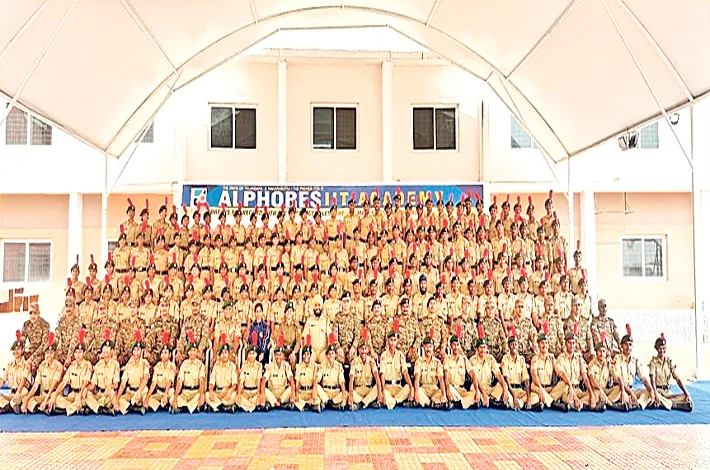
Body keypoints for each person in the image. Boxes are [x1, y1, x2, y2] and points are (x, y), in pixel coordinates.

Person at [47, 329, 92, 415]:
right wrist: (55, 394)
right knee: (54, 396)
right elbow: (64, 382)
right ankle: (74, 408)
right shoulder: (72, 366)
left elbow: (85, 383)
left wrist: (79, 395)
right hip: (72, 394)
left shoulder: (87, 365)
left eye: (80, 352)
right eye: (76, 352)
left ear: (84, 354)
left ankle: (67, 409)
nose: (78, 355)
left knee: (87, 397)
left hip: (82, 393)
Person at [608, 325, 654, 410]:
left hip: (631, 389)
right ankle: (625, 403)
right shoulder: (617, 359)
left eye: (630, 345)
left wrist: (651, 390)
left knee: (646, 392)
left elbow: (643, 378)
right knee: (620, 392)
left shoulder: (635, 361)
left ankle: (635, 404)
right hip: (620, 388)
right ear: (621, 346)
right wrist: (630, 393)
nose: (628, 347)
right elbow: (618, 379)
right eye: (625, 344)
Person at [648, 333, 693, 411]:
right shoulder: (653, 362)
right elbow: (652, 379)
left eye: (663, 348)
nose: (662, 351)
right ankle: (675, 405)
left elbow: (677, 379)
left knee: (684, 397)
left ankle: (666, 403)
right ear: (656, 349)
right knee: (650, 398)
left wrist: (687, 394)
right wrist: (655, 393)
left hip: (668, 392)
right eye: (659, 348)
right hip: (658, 391)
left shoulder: (669, 362)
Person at [21, 332, 63, 414]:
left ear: (54, 354)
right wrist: (26, 400)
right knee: (25, 399)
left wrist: (46, 400)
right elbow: (36, 385)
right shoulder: (42, 366)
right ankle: (44, 407)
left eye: (51, 353)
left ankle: (45, 406)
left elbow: (54, 384)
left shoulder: (58, 366)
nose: (49, 355)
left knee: (58, 401)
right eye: (47, 353)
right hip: (43, 395)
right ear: (44, 354)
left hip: (53, 395)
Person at [470, 324, 509, 408]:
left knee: (502, 385)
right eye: (480, 348)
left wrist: (505, 387)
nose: (482, 350)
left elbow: (498, 374)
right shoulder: (473, 360)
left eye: (484, 347)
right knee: (473, 390)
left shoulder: (490, 359)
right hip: (477, 387)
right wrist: (483, 393)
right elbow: (475, 379)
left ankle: (488, 400)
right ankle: (491, 401)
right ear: (477, 349)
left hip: (488, 388)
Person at [84, 329, 120, 415]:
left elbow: (116, 385)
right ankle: (100, 408)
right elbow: (93, 385)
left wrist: (110, 386)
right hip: (99, 394)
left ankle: (94, 407)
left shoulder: (115, 365)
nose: (106, 350)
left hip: (109, 393)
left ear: (112, 351)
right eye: (104, 348)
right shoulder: (98, 365)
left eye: (108, 348)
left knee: (111, 394)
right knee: (87, 394)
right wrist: (86, 389)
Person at [114, 330, 150, 414]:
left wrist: (139, 391)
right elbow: (123, 383)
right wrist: (117, 399)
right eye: (134, 350)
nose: (136, 352)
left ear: (142, 351)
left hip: (140, 390)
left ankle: (129, 406)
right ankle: (134, 408)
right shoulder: (129, 365)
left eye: (138, 350)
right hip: (130, 391)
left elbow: (145, 379)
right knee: (118, 400)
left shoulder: (145, 363)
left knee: (145, 397)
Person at [172, 329, 206, 413]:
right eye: (190, 351)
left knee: (203, 397)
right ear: (188, 353)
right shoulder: (184, 364)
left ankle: (184, 407)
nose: (192, 353)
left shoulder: (200, 365)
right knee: (172, 398)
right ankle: (190, 406)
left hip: (195, 392)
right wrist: (175, 398)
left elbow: (202, 381)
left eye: (194, 350)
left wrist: (201, 395)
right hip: (185, 393)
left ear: (197, 352)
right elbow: (180, 381)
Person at [443, 329, 479, 410]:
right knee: (449, 390)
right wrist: (448, 388)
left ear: (460, 346)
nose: (456, 347)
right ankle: (464, 403)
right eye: (454, 345)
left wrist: (477, 390)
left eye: (457, 345)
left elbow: (472, 374)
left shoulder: (464, 359)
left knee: (474, 394)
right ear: (450, 346)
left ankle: (456, 403)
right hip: (452, 389)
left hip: (461, 389)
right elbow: (445, 376)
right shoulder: (447, 359)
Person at [379, 329, 414, 409]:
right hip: (387, 387)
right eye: (391, 340)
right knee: (380, 391)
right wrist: (383, 390)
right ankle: (397, 401)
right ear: (388, 341)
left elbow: (405, 373)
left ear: (397, 341)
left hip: (398, 387)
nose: (392, 343)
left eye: (394, 340)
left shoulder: (400, 355)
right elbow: (382, 375)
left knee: (408, 388)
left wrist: (411, 387)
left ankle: (392, 401)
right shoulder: (384, 355)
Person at [144, 331, 178, 412]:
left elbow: (170, 382)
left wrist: (165, 395)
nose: (163, 355)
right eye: (162, 353)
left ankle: (166, 403)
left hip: (169, 391)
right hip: (159, 392)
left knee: (173, 399)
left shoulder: (172, 366)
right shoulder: (158, 366)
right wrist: (147, 398)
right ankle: (162, 405)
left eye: (166, 353)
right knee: (148, 400)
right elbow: (153, 383)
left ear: (169, 355)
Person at [348, 329, 382, 410]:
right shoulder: (354, 362)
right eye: (362, 349)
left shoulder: (371, 361)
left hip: (368, 390)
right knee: (348, 393)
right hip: (358, 390)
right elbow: (351, 380)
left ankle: (361, 403)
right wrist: (351, 396)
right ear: (358, 349)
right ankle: (367, 402)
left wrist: (380, 393)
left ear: (368, 350)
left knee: (377, 389)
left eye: (365, 349)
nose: (363, 351)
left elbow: (377, 377)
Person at [260, 333, 296, 410]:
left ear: (284, 356)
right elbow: (263, 381)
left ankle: (275, 403)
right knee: (264, 390)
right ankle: (278, 403)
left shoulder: (286, 366)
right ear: (274, 356)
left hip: (283, 394)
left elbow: (291, 380)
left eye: (280, 355)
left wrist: (293, 393)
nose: (278, 357)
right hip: (272, 393)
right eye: (276, 355)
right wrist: (262, 395)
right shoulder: (270, 366)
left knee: (291, 389)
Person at [500, 328, 532, 410]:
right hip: (510, 389)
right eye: (512, 344)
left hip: (519, 390)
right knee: (507, 397)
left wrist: (529, 398)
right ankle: (521, 403)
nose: (514, 346)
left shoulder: (521, 359)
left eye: (515, 344)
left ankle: (521, 403)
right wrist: (514, 396)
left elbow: (526, 380)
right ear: (509, 346)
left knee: (535, 396)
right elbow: (506, 379)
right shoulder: (505, 358)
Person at [413, 332, 447, 409]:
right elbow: (417, 378)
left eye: (430, 347)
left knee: (441, 393)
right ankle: (432, 403)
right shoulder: (419, 361)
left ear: (433, 348)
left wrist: (443, 394)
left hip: (434, 389)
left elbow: (441, 379)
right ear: (423, 348)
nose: (428, 349)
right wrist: (416, 393)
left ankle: (428, 402)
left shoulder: (437, 362)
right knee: (418, 391)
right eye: (426, 347)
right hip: (423, 388)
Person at [207, 333, 239, 412]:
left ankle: (217, 406)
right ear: (219, 355)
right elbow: (211, 382)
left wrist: (229, 391)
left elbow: (235, 384)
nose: (224, 355)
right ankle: (224, 406)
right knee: (207, 395)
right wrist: (211, 391)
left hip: (227, 392)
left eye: (226, 353)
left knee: (234, 395)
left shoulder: (232, 366)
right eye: (222, 353)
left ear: (229, 354)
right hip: (218, 392)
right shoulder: (216, 365)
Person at [0, 331, 31, 413]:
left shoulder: (26, 365)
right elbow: (2, 380)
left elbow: (23, 380)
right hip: (12, 394)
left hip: (21, 392)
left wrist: (18, 393)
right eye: (14, 349)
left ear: (23, 350)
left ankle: (7, 406)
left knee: (21, 393)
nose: (16, 351)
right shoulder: (9, 365)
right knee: (9, 398)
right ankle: (11, 406)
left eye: (18, 349)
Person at [317, 334, 347, 410]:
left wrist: (343, 399)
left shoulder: (339, 366)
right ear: (326, 355)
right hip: (325, 392)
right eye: (329, 354)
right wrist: (314, 387)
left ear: (335, 355)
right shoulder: (323, 365)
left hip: (335, 393)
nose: (331, 356)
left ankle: (332, 403)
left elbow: (342, 383)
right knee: (316, 387)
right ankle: (329, 402)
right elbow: (318, 377)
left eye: (332, 353)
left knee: (346, 393)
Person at [235, 332, 263, 412]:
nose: (251, 356)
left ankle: (248, 406)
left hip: (255, 392)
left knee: (261, 396)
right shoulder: (244, 365)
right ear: (247, 355)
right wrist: (239, 394)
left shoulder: (259, 365)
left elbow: (259, 381)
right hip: (246, 392)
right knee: (236, 398)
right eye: (250, 354)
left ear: (256, 355)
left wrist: (258, 394)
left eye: (253, 354)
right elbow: (241, 381)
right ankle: (253, 406)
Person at [293, 335, 321, 412]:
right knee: (294, 399)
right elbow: (297, 383)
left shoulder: (315, 366)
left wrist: (314, 393)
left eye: (308, 354)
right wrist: (297, 394)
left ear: (310, 355)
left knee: (317, 397)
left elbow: (316, 379)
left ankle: (307, 404)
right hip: (302, 392)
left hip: (310, 392)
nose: (306, 356)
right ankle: (309, 404)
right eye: (304, 354)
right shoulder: (299, 367)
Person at [21, 302, 50, 372]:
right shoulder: (26, 324)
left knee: (33, 365)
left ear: (39, 313)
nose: (32, 316)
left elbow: (44, 345)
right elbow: (22, 341)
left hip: (40, 353)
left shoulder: (45, 325)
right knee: (19, 363)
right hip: (30, 351)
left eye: (35, 313)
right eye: (30, 313)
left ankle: (33, 379)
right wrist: (21, 353)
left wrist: (31, 358)